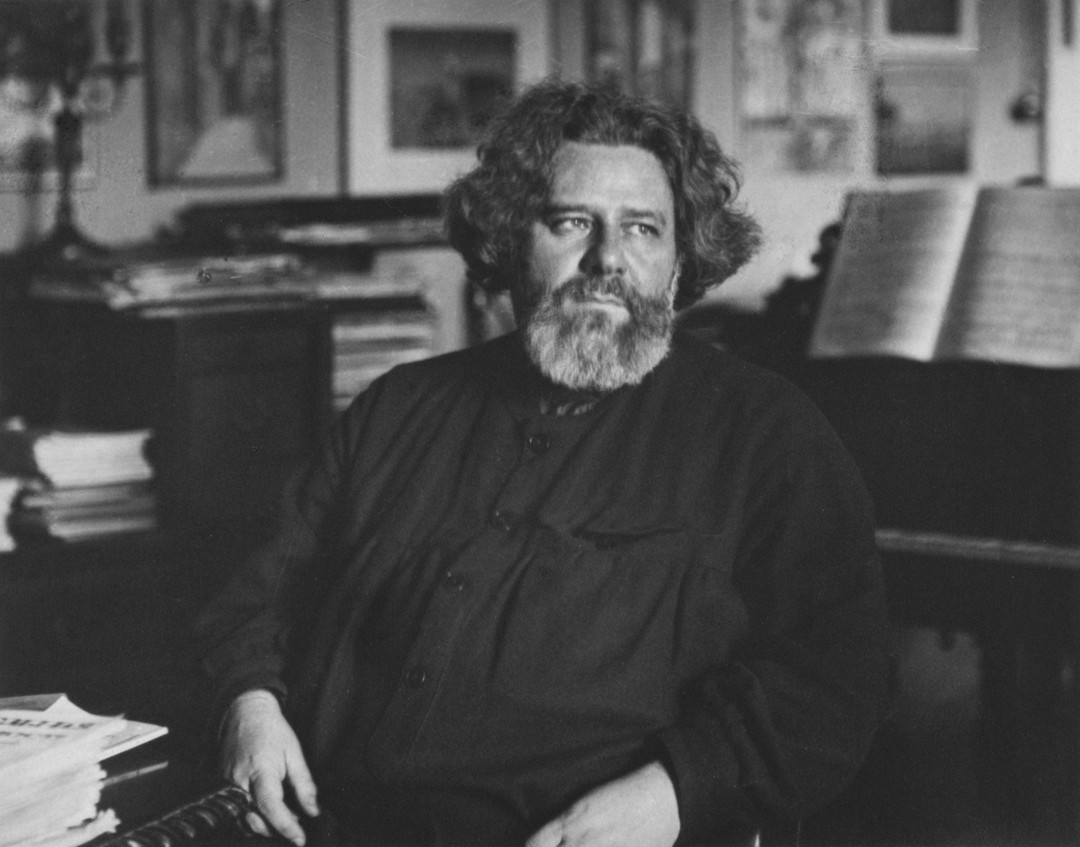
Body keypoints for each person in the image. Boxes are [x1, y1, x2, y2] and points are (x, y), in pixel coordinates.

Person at [195, 78, 890, 847]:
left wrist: (673, 792)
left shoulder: (765, 433)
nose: (607, 259)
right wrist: (248, 704)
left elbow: (836, 674)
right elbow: (258, 590)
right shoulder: (397, 407)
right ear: (507, 240)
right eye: (571, 222)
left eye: (643, 229)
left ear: (678, 261)